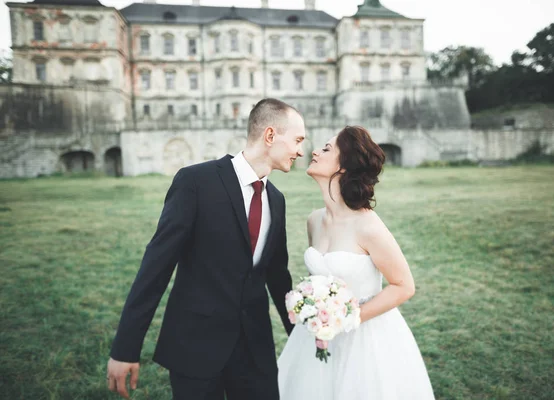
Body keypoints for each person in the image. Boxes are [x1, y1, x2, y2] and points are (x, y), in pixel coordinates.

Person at [107, 98, 306, 400]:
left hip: (255, 351)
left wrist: (302, 338)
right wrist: (125, 348)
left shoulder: (276, 200)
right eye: (297, 140)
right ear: (270, 135)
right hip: (195, 347)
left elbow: (278, 278)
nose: (300, 150)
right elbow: (156, 268)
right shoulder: (196, 182)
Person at [277, 126, 435, 399]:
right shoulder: (314, 221)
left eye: (326, 149)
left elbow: (403, 286)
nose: (314, 151)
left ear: (344, 165)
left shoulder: (368, 226)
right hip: (316, 336)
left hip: (367, 339)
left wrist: (346, 318)